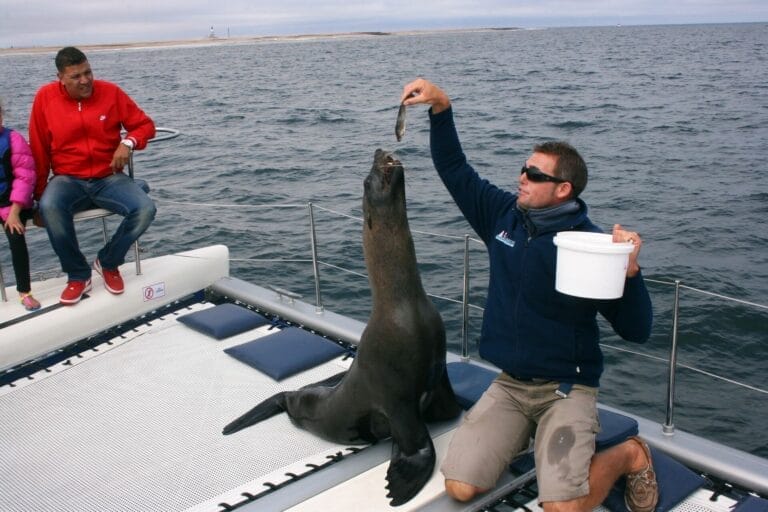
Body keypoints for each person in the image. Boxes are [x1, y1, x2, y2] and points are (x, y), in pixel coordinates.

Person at [401, 78, 657, 512]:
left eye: (535, 174)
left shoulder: (594, 246)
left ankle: (628, 454)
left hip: (567, 387)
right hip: (511, 384)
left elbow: (637, 331)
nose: (522, 177)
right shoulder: (503, 217)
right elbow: (455, 169)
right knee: (460, 487)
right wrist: (441, 107)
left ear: (563, 189)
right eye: (523, 168)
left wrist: (629, 273)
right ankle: (523, 435)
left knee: (561, 509)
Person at [29, 46, 156, 305]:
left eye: (88, 72)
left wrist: (128, 143)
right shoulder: (45, 98)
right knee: (50, 206)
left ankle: (108, 262)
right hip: (67, 179)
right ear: (60, 78)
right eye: (76, 76)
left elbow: (145, 125)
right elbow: (39, 148)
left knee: (145, 209)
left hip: (108, 177)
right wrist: (39, 196)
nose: (85, 80)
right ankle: (77, 274)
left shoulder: (111, 92)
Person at [0, 99, 41, 311]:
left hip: (14, 203)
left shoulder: (13, 139)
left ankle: (24, 292)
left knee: (15, 237)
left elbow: (25, 177)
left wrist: (15, 212)